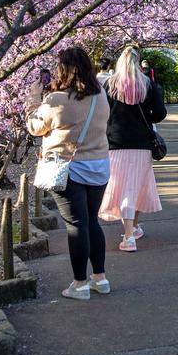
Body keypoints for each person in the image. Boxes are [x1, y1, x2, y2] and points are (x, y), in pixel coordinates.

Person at [26, 47, 112, 300]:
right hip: (98, 165)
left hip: (68, 168)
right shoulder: (101, 96)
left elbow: (35, 127)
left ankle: (79, 283)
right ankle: (100, 278)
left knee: (76, 225)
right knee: (92, 222)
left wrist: (34, 100)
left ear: (63, 69)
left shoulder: (57, 100)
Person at [100, 46, 167, 252]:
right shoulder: (148, 84)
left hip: (115, 143)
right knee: (135, 186)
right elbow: (160, 113)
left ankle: (129, 235)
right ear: (138, 63)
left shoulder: (109, 85)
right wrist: (146, 117)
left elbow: (103, 113)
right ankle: (132, 229)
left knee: (123, 187)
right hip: (141, 143)